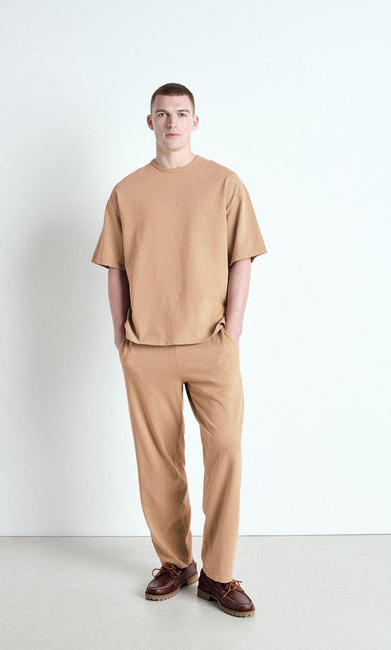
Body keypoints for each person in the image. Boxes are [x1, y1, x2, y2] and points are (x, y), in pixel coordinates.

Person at [91, 82, 267, 617]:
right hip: (146, 347)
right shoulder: (127, 191)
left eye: (182, 113)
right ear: (150, 122)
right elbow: (116, 267)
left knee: (226, 453)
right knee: (159, 463)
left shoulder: (224, 183)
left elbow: (242, 259)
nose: (172, 122)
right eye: (163, 114)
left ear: (195, 121)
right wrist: (120, 336)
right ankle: (175, 562)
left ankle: (219, 573)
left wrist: (233, 331)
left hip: (211, 343)